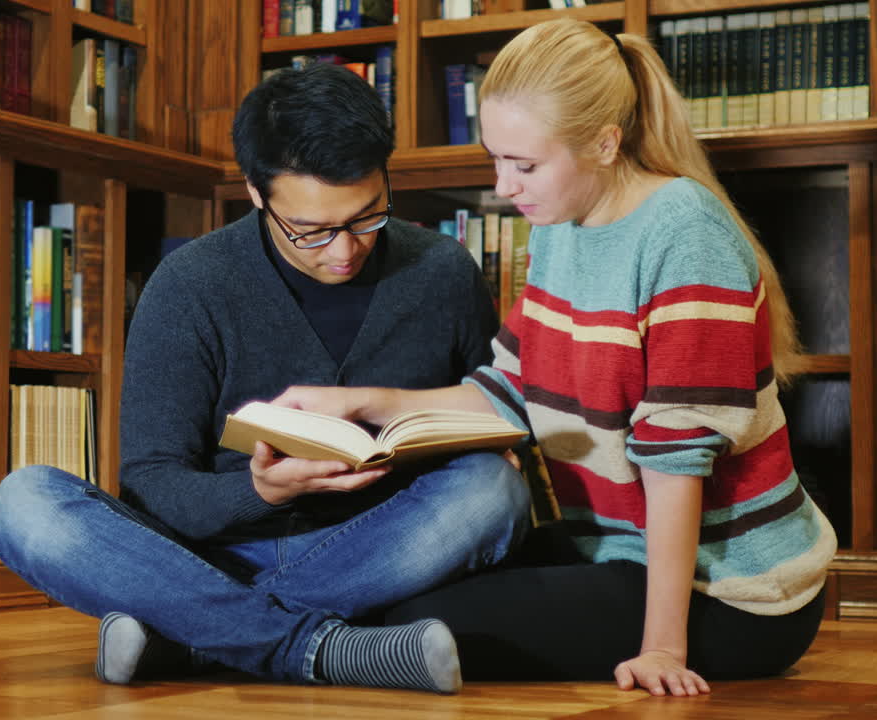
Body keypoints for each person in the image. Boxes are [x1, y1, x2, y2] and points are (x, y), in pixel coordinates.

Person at [270, 19, 837, 697]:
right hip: (609, 549)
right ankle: (228, 628)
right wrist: (360, 403)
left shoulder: (686, 237)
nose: (504, 186)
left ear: (604, 142)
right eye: (496, 158)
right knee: (411, 585)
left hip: (731, 593)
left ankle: (222, 636)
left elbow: (676, 462)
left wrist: (662, 648)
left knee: (419, 620)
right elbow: (510, 388)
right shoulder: (560, 226)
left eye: (524, 164)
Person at [0, 62, 530, 694]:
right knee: (24, 503)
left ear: (386, 176)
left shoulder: (443, 272)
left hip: (379, 548)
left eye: (366, 217)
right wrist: (262, 491)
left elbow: (489, 414)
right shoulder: (192, 284)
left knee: (494, 492)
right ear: (255, 191)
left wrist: (477, 443)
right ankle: (319, 649)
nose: (343, 250)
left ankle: (189, 639)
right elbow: (153, 485)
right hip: (207, 555)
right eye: (311, 231)